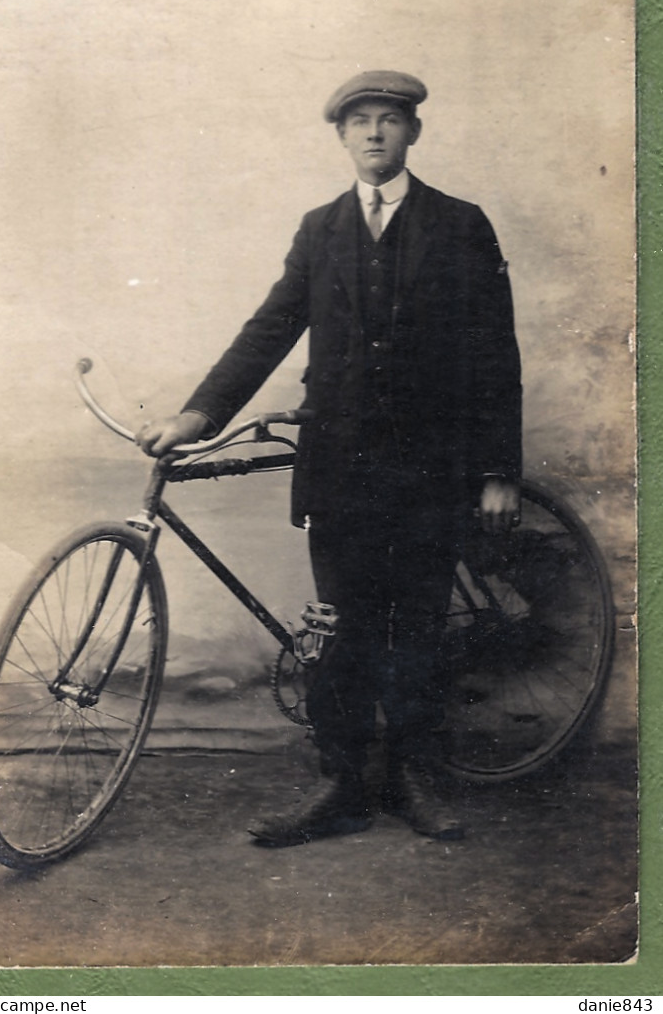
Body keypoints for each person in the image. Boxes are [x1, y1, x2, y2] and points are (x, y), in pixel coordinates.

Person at [136, 70, 522, 848]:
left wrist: (497, 471)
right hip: (341, 464)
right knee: (340, 629)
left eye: (390, 120)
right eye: (360, 123)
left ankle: (410, 775)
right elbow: (270, 326)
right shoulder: (320, 229)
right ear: (342, 137)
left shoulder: (461, 224)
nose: (375, 133)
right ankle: (345, 785)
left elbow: (493, 351)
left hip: (430, 465)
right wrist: (199, 412)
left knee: (415, 625)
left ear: (413, 132)